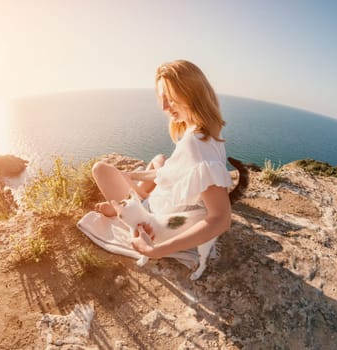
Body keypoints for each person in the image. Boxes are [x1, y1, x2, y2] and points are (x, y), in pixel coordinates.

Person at [91, 59, 233, 260]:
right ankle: (134, 194)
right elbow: (173, 173)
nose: (165, 106)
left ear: (192, 94)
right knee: (159, 159)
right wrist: (129, 174)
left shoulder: (195, 144)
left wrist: (155, 251)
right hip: (167, 202)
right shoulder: (207, 132)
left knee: (100, 169)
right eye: (162, 99)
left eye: (171, 99)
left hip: (153, 217)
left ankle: (123, 208)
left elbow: (221, 219)